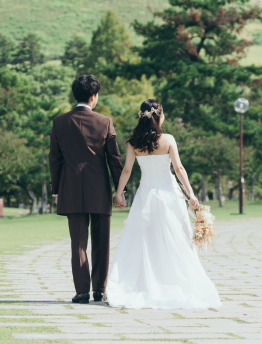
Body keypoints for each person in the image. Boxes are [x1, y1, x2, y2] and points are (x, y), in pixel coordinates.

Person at [105, 99, 221, 309]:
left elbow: (127, 170)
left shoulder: (134, 143)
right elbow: (179, 168)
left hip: (145, 195)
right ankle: (175, 281)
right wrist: (191, 194)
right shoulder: (167, 139)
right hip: (170, 196)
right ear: (160, 116)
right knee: (177, 238)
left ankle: (145, 282)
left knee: (144, 239)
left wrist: (119, 193)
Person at [49, 75, 123, 304]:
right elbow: (114, 159)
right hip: (99, 189)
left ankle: (82, 292)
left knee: (78, 243)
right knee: (101, 241)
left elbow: (54, 160)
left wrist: (56, 191)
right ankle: (99, 290)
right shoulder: (105, 122)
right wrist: (120, 190)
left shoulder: (59, 122)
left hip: (71, 189)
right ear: (93, 97)